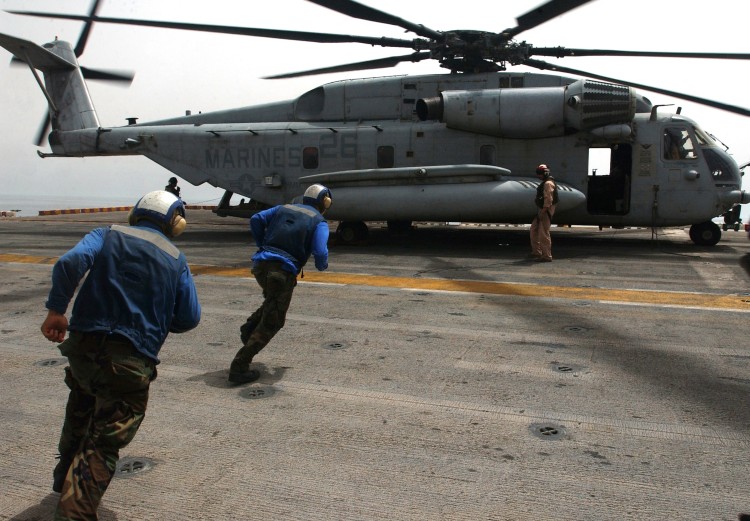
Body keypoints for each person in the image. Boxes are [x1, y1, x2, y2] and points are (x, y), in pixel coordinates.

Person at [41, 190, 201, 520]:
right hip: (129, 362)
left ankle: (62, 482)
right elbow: (189, 318)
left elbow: (70, 262)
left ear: (135, 214)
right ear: (176, 224)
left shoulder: (106, 234)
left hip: (83, 351)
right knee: (104, 441)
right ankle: (73, 513)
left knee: (81, 407)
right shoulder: (176, 259)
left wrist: (57, 310)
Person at [229, 184, 332, 385]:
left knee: (273, 301)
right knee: (273, 321)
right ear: (325, 202)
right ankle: (239, 367)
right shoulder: (319, 222)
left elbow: (256, 219)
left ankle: (249, 328)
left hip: (260, 266)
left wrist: (262, 244)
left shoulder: (283, 208)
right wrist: (322, 266)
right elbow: (320, 252)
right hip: (282, 272)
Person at [530, 163, 558, 262]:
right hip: (541, 209)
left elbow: (548, 200)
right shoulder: (545, 182)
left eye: (540, 173)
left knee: (543, 233)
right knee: (534, 229)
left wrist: (543, 212)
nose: (538, 175)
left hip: (545, 210)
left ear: (545, 173)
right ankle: (536, 252)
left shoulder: (548, 183)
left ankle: (547, 256)